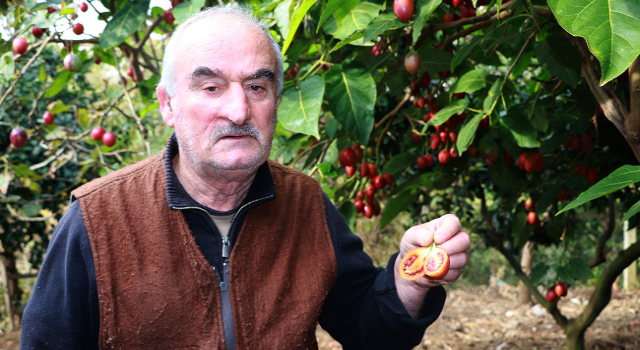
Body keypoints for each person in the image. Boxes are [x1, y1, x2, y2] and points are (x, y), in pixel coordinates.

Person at [20, 4, 470, 350]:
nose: (238, 111)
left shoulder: (305, 203)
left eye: (257, 86)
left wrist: (409, 283)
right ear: (167, 104)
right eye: (211, 87)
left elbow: (368, 328)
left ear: (277, 98)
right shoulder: (98, 221)